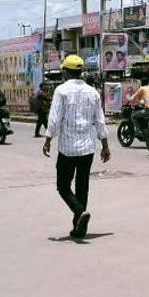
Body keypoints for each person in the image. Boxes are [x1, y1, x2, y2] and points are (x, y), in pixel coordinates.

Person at [43, 55, 111, 239]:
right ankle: (79, 227)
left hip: (67, 147)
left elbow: (54, 118)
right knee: (83, 187)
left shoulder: (61, 90)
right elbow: (100, 120)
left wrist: (48, 138)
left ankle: (79, 212)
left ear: (65, 71)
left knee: (63, 186)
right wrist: (105, 145)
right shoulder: (93, 92)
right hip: (87, 147)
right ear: (80, 72)